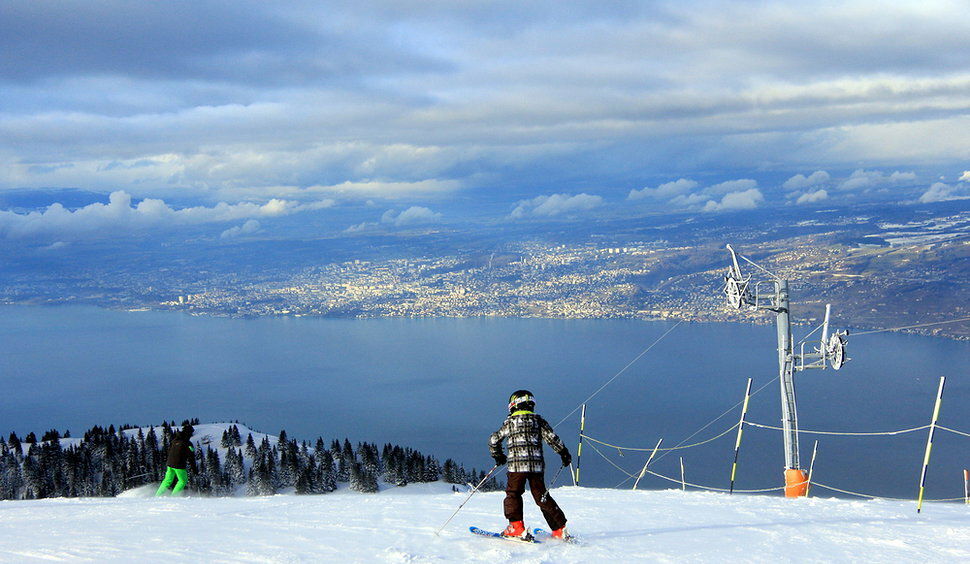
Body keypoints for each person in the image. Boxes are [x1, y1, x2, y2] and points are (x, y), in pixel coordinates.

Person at [489, 390, 572, 540]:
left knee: (513, 493)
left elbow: (494, 440)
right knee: (542, 497)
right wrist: (563, 453)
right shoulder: (539, 421)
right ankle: (559, 528)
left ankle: (516, 527)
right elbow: (552, 439)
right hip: (536, 467)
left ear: (513, 405)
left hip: (516, 468)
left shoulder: (510, 423)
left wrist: (498, 455)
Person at [155, 425, 197, 496]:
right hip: (179, 465)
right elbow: (191, 457)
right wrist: (194, 469)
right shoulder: (188, 443)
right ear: (189, 433)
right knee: (183, 481)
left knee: (167, 481)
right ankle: (174, 497)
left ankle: (158, 495)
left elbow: (170, 451)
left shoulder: (174, 440)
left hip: (170, 463)